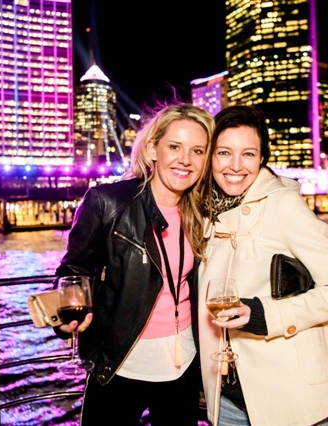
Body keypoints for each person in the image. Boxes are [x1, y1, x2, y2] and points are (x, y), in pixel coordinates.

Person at [53, 102, 214, 425]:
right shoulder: (107, 202)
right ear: (153, 150)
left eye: (197, 151)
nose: (185, 160)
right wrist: (65, 317)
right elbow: (73, 270)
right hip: (120, 362)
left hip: (184, 362)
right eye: (174, 147)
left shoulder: (203, 211)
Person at [197, 105, 328, 426]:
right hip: (225, 397)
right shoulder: (202, 212)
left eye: (248, 154)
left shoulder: (284, 205)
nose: (235, 166)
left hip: (290, 396)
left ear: (262, 158)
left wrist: (264, 315)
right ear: (210, 157)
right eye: (224, 152)